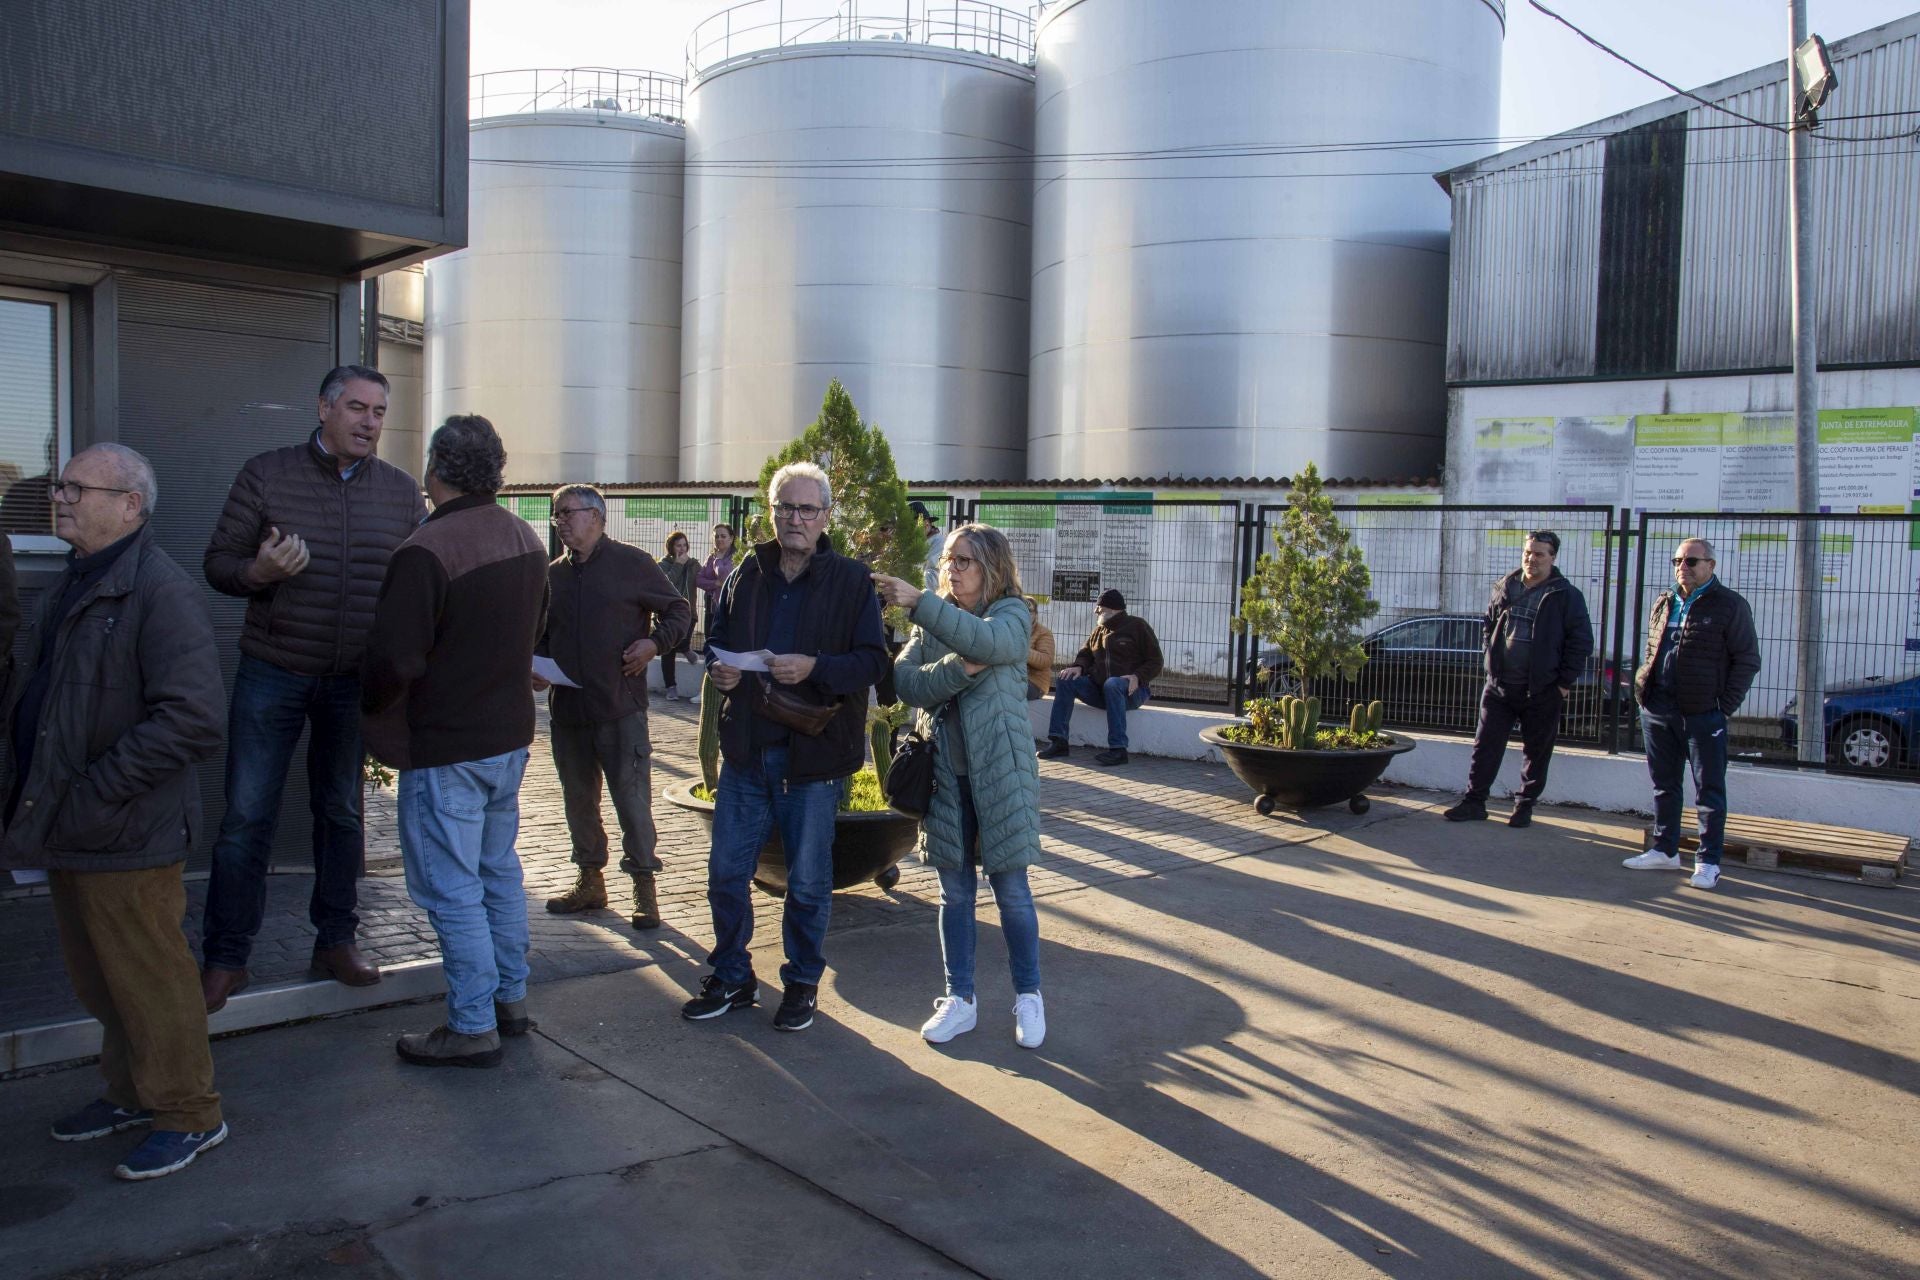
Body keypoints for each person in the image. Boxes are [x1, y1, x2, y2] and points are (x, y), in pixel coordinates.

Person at [2, 445, 228, 1180]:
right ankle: (132, 1091)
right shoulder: (77, 581)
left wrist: (96, 791)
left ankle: (192, 1114)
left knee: (152, 978)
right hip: (72, 826)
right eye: (60, 484)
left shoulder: (159, 592)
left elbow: (193, 717)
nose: (58, 497)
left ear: (130, 505)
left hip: (123, 828)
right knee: (103, 980)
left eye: (76, 487)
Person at [199, 365, 427, 1012]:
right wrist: (259, 570)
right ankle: (226, 957)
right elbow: (218, 564)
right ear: (324, 408)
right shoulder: (267, 473)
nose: (370, 422)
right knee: (246, 816)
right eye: (357, 408)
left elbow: (416, 587)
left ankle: (335, 940)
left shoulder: (401, 492)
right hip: (274, 669)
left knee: (341, 812)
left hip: (352, 680)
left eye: (380, 411)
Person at [362, 416, 549, 1067]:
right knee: (497, 875)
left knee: (453, 887)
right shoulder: (524, 535)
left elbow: (393, 659)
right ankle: (510, 1003)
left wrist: (372, 715)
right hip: (509, 740)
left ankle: (472, 1024)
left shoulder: (427, 548)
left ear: (434, 468)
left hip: (449, 746)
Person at [681, 462, 888, 1033]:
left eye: (807, 510)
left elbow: (874, 661)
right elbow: (719, 640)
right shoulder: (747, 572)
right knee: (725, 873)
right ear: (769, 514)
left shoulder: (850, 580)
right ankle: (732, 975)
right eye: (785, 509)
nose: (795, 520)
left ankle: (801, 983)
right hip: (749, 750)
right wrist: (722, 671)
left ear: (825, 517)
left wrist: (816, 667)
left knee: (806, 883)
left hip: (813, 759)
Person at [878, 526, 1047, 1048]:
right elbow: (906, 682)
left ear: (992, 566)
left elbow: (992, 643)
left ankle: (1029, 997)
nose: (953, 569)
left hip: (1001, 773)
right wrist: (958, 668)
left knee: (1012, 893)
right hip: (945, 778)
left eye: (965, 561)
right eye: (949, 560)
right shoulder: (936, 621)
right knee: (955, 894)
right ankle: (961, 1000)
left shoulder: (1012, 613)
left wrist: (925, 607)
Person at [537, 485, 692, 929]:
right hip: (568, 712)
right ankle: (590, 881)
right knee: (578, 801)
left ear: (596, 516)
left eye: (568, 513)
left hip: (620, 710)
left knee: (632, 801)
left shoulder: (632, 564)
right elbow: (543, 636)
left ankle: (645, 888)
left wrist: (653, 644)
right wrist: (539, 666)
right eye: (556, 515)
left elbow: (680, 613)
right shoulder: (554, 576)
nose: (561, 521)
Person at [1622, 538, 1761, 891]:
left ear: (1711, 566)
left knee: (1708, 791)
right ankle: (1665, 850)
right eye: (1678, 560)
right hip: (1657, 709)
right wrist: (1643, 693)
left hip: (1702, 714)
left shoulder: (1730, 605)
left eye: (1692, 561)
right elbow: (1653, 649)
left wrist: (1722, 706)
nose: (1683, 566)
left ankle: (1708, 860)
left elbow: (1747, 660)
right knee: (1664, 784)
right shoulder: (1665, 600)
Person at [1442, 530, 1594, 828]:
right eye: (1527, 552)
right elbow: (1488, 622)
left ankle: (1524, 806)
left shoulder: (1566, 596)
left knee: (1536, 751)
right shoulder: (1506, 585)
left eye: (1539, 553)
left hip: (1541, 689)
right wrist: (1490, 658)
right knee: (1485, 744)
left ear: (1552, 557)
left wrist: (1562, 684)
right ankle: (1474, 801)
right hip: (1499, 685)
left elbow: (1581, 642)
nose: (1531, 558)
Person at [1037, 589, 1163, 766]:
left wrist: (1137, 676)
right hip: (1101, 691)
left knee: (1112, 684)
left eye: (1099, 608)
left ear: (1113, 609)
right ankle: (1059, 741)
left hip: (1131, 691)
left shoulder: (1138, 626)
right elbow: (1086, 653)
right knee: (1065, 679)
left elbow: (1156, 660)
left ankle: (1118, 749)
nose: (1096, 612)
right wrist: (1079, 667)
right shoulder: (1098, 631)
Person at [658, 530, 699, 700]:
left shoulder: (693, 564)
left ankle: (684, 646)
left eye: (684, 545)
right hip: (668, 614)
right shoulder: (664, 564)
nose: (682, 549)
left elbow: (704, 577)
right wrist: (678, 564)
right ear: (671, 548)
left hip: (689, 613)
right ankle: (671, 687)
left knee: (681, 638)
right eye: (678, 546)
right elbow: (665, 584)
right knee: (669, 650)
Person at [694, 523, 737, 650]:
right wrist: (715, 584)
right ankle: (709, 667)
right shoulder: (711, 557)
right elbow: (698, 580)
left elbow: (724, 575)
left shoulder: (735, 557)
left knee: (723, 642)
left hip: (727, 607)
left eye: (723, 536)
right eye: (716, 536)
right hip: (710, 605)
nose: (719, 539)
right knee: (710, 640)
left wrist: (718, 560)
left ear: (731, 538)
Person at [1026, 599, 1055, 701]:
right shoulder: (1011, 629)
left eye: (1029, 612)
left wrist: (1023, 651)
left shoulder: (1044, 633)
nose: (1025, 615)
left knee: (1008, 691)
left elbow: (1045, 660)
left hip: (1035, 682)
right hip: (1011, 678)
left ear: (1036, 615)